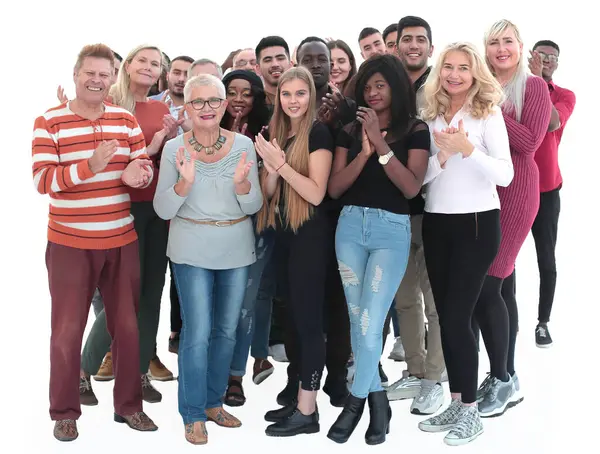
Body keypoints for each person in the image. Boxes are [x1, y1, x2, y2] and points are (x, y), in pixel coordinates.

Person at [32, 43, 158, 441]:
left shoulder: (125, 119)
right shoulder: (49, 121)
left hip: (121, 239)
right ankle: (65, 412)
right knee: (67, 330)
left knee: (128, 327)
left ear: (112, 78)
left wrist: (137, 175)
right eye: (90, 72)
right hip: (70, 243)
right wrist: (92, 166)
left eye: (105, 74)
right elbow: (42, 182)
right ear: (76, 73)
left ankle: (129, 407)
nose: (97, 80)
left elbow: (141, 165)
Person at [153, 73, 263, 445]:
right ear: (186, 107)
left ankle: (215, 402)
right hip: (190, 247)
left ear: (224, 105)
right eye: (197, 102)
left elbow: (254, 205)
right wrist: (184, 183)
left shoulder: (244, 145)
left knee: (227, 330)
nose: (206, 108)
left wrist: (242, 187)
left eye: (214, 101)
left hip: (235, 244)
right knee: (196, 332)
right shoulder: (174, 150)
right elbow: (162, 208)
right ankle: (193, 413)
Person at [326, 53, 429, 445]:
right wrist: (364, 152)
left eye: (380, 85)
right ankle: (378, 401)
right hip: (350, 226)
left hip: (390, 231)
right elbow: (335, 188)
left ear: (396, 87)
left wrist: (381, 144)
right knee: (359, 322)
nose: (372, 92)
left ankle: (355, 404)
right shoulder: (350, 131)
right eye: (367, 87)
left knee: (370, 321)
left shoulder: (414, 129)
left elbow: (410, 187)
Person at [416, 42, 513, 446]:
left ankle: (471, 411)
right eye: (449, 68)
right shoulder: (431, 115)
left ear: (476, 74)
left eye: (463, 68)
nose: (455, 74)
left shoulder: (487, 114)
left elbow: (505, 175)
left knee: (458, 319)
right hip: (437, 224)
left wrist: (467, 149)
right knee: (445, 314)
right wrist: (441, 156)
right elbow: (421, 182)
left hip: (477, 225)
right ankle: (457, 400)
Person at [80, 44, 180, 400]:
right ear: (128, 64)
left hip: (158, 210)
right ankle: (83, 368)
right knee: (122, 295)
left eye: (156, 64)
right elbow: (101, 163)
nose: (150, 67)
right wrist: (150, 147)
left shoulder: (161, 108)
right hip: (120, 210)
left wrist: (171, 139)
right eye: (143, 60)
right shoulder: (107, 104)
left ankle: (137, 374)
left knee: (152, 293)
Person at [474, 19, 552, 417]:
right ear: (484, 49)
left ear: (521, 47)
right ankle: (508, 376)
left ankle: (503, 379)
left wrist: (488, 108)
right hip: (484, 194)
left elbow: (528, 143)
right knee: (502, 289)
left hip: (519, 193)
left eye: (508, 41)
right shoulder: (481, 87)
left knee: (488, 286)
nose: (501, 48)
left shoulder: (533, 87)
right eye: (493, 42)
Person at [255, 66, 334, 437]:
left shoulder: (318, 133)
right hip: (282, 236)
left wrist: (281, 165)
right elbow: (268, 194)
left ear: (311, 97)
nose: (293, 101)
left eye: (300, 94)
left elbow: (316, 193)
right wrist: (271, 169)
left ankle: (308, 409)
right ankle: (298, 400)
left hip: (310, 239)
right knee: (291, 323)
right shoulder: (277, 133)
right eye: (287, 94)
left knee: (309, 325)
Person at [527, 40, 576, 347]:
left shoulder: (565, 95)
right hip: (512, 186)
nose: (546, 60)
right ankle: (500, 318)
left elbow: (550, 122)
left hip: (546, 189)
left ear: (557, 64)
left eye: (551, 58)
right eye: (540, 56)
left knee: (546, 257)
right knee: (501, 259)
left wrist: (538, 84)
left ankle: (543, 322)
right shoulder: (515, 90)